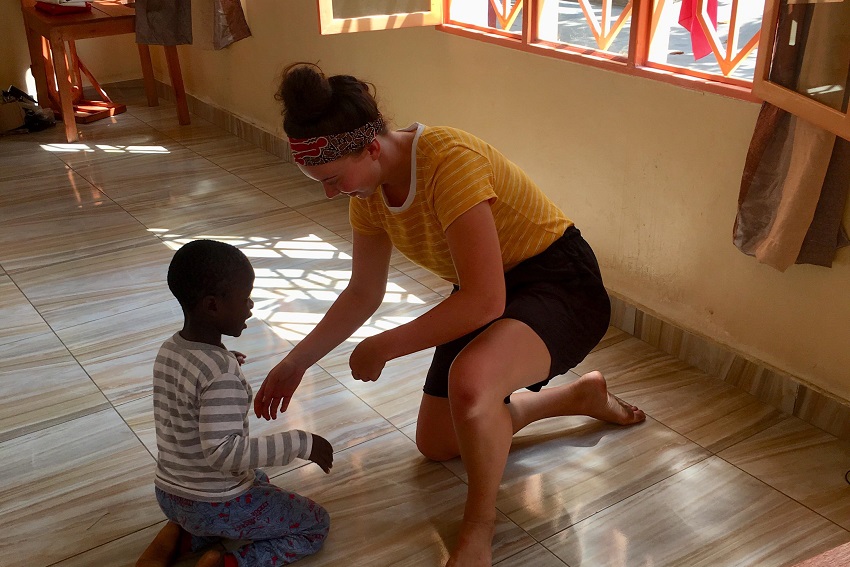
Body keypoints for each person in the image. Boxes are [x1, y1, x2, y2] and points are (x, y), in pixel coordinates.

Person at [254, 63, 645, 567]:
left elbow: (485, 302)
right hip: (490, 286)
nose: (331, 192)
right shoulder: (367, 192)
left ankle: (478, 532)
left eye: (332, 179)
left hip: (560, 283)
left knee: (470, 381)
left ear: (372, 147)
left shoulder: (447, 160)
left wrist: (387, 344)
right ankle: (579, 396)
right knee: (438, 443)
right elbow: (362, 292)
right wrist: (295, 363)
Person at [136, 239, 334, 567]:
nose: (251, 307)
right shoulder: (219, 372)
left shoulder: (170, 350)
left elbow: (191, 391)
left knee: (258, 478)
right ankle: (224, 561)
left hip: (169, 494)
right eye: (245, 298)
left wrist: (225, 361)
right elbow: (224, 453)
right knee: (315, 524)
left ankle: (182, 534)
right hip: (212, 502)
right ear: (213, 306)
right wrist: (300, 443)